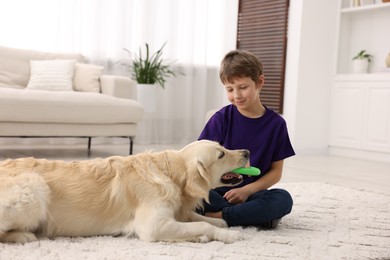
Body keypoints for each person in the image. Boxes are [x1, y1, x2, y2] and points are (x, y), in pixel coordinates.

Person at [198, 49, 295, 228]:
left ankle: (217, 216)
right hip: (216, 192)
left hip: (252, 192)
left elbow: (276, 172)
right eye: (230, 89)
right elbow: (200, 162)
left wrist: (245, 190)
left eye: (243, 87)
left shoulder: (276, 125)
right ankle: (249, 215)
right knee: (191, 193)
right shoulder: (221, 119)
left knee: (283, 198)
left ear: (259, 82)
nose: (236, 95)